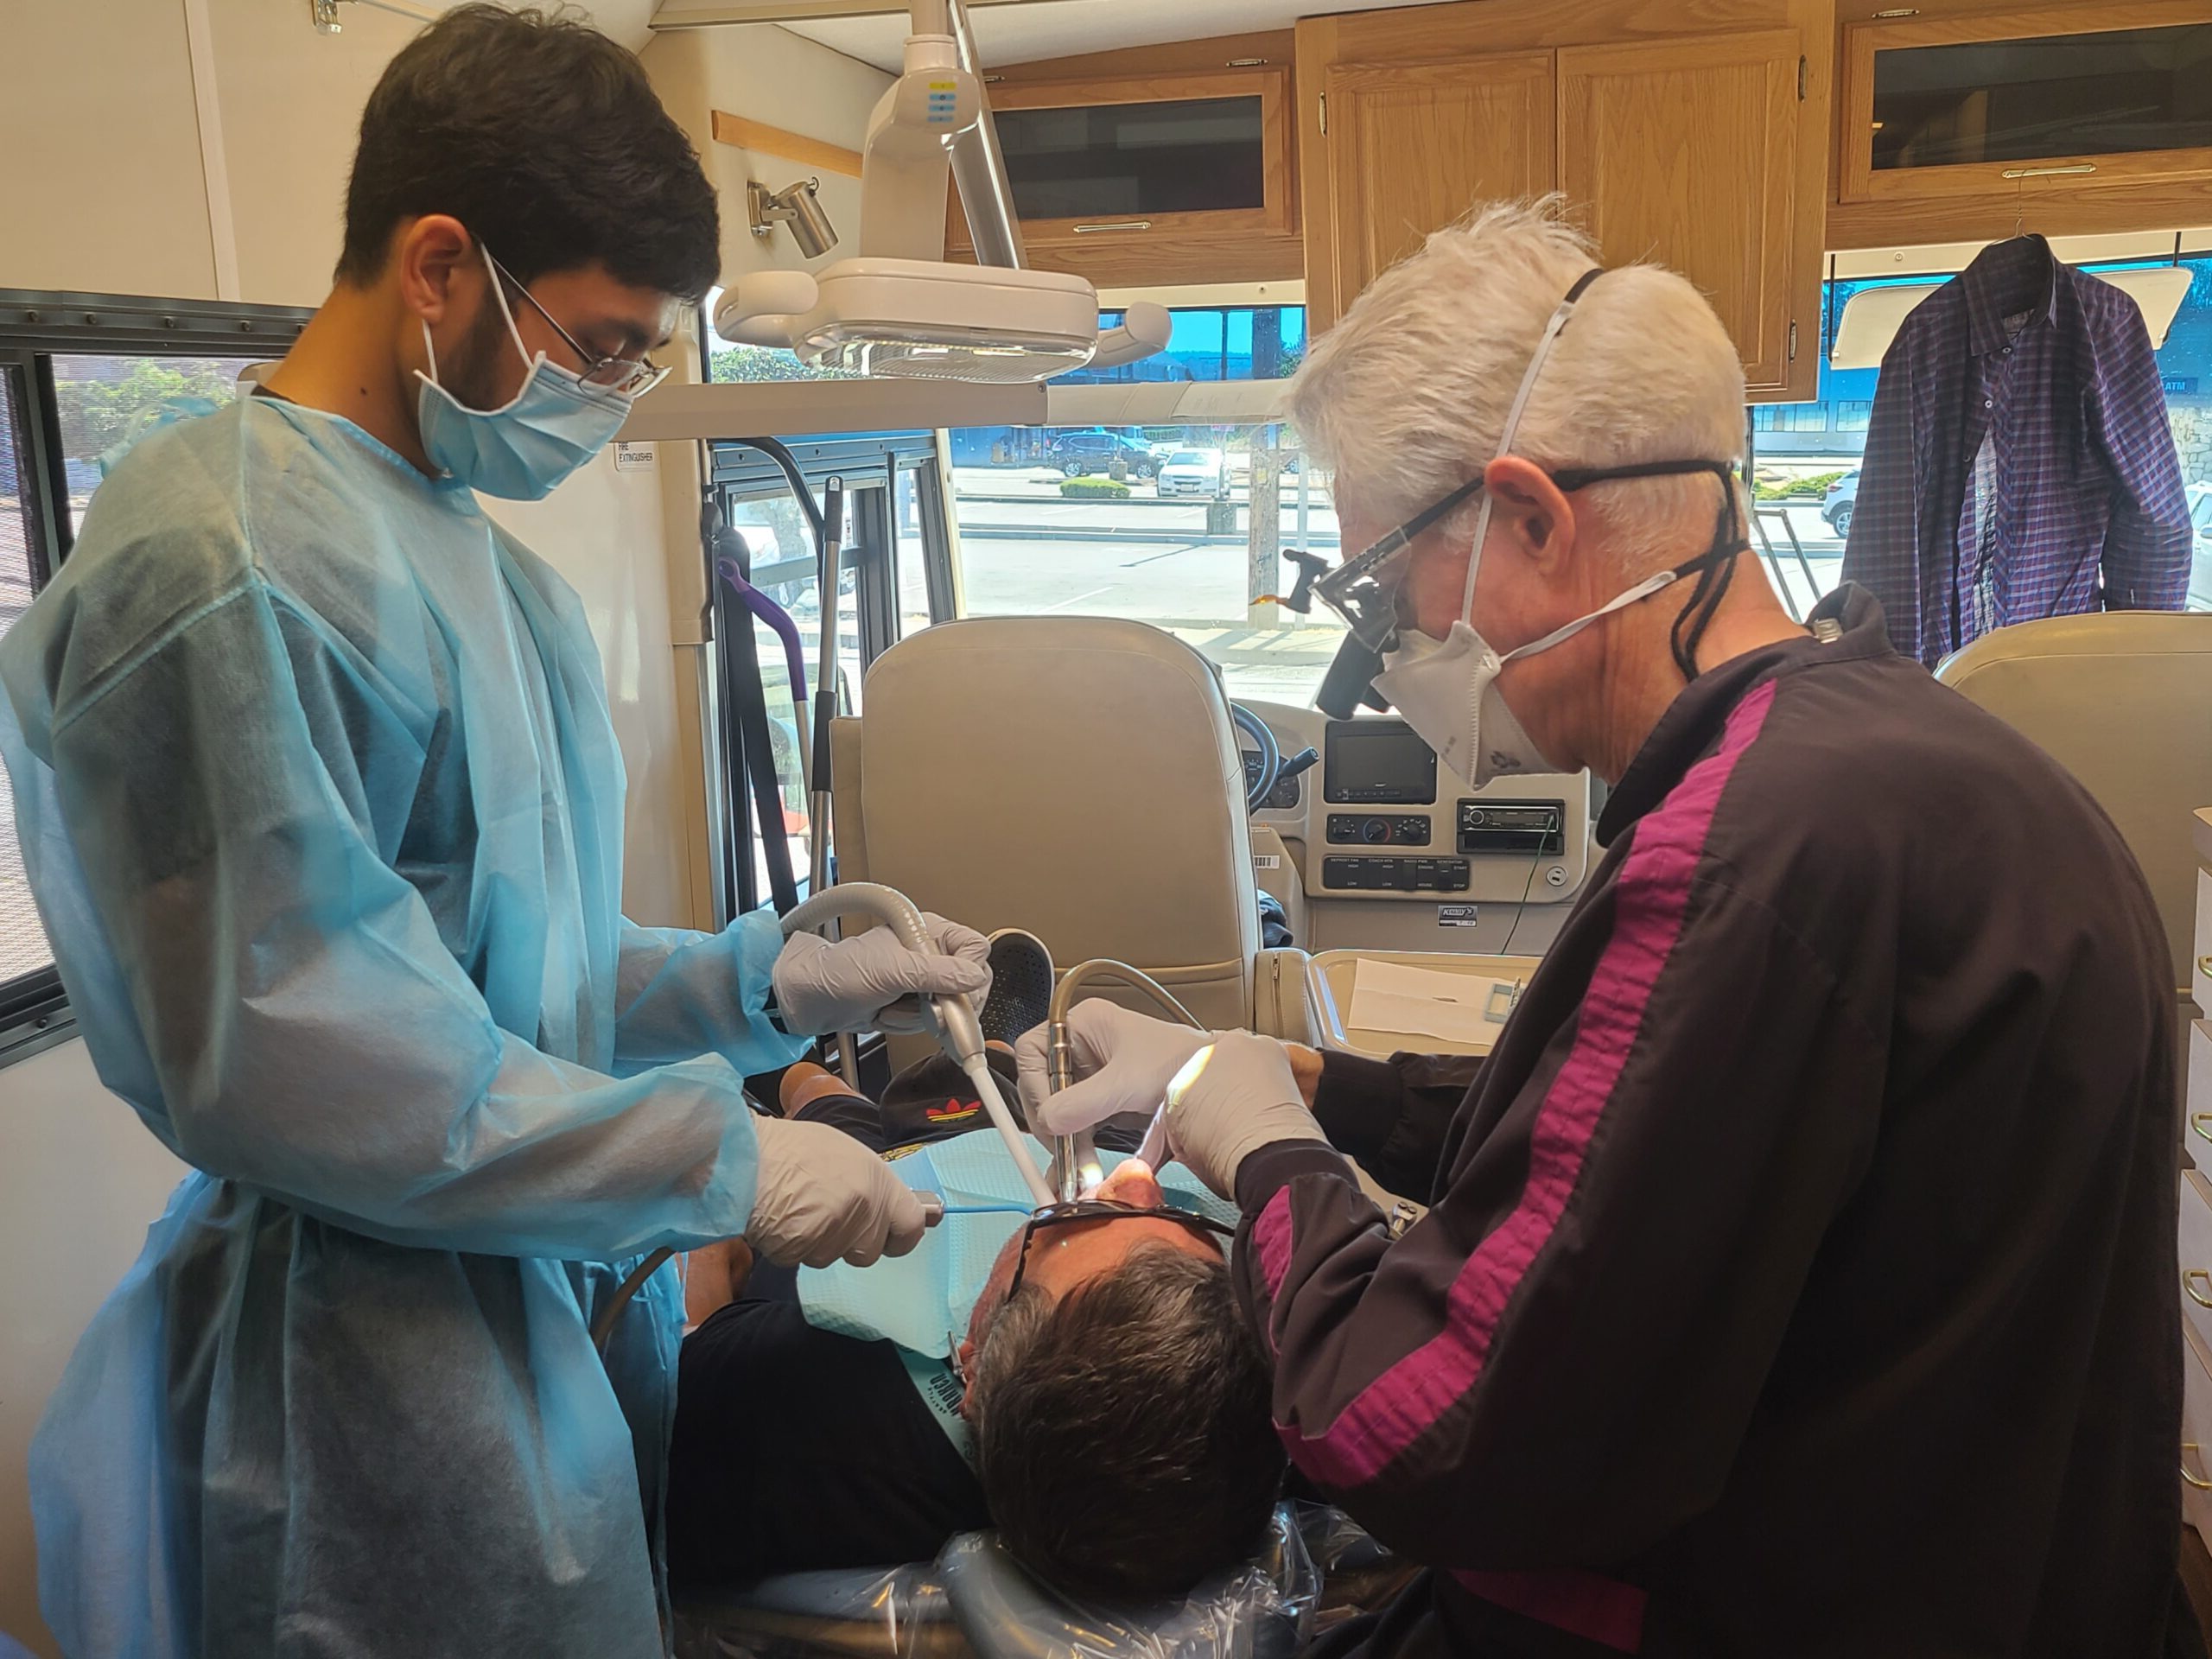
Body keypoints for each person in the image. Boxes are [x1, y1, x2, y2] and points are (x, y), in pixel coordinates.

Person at [1018, 201, 2191, 1656]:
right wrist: (1307, 1082)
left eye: (1389, 600)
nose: (1387, 672)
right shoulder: (1917, 767)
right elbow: (1646, 1164)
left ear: (1533, 518)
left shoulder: (1746, 860)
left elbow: (1418, 1431)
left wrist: (1265, 1153)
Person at [0, 10, 988, 1657]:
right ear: (440, 265)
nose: (609, 396)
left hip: (530, 1325)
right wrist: (731, 1159)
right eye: (601, 348)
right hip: (362, 1394)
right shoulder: (223, 574)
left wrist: (768, 983)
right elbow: (333, 1059)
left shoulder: (477, 564)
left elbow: (511, 975)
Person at [668, 1053, 1287, 1604]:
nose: (1137, 1180)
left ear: (971, 1360)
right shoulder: (1272, 1441)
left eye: (1074, 1221)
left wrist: (726, 1200)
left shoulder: (797, 1399)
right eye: (1179, 1222)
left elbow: (683, 1342)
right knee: (1003, 1080)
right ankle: (989, 1051)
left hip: (883, 1173)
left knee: (832, 1104)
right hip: (1009, 1136)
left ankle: (776, 1054)